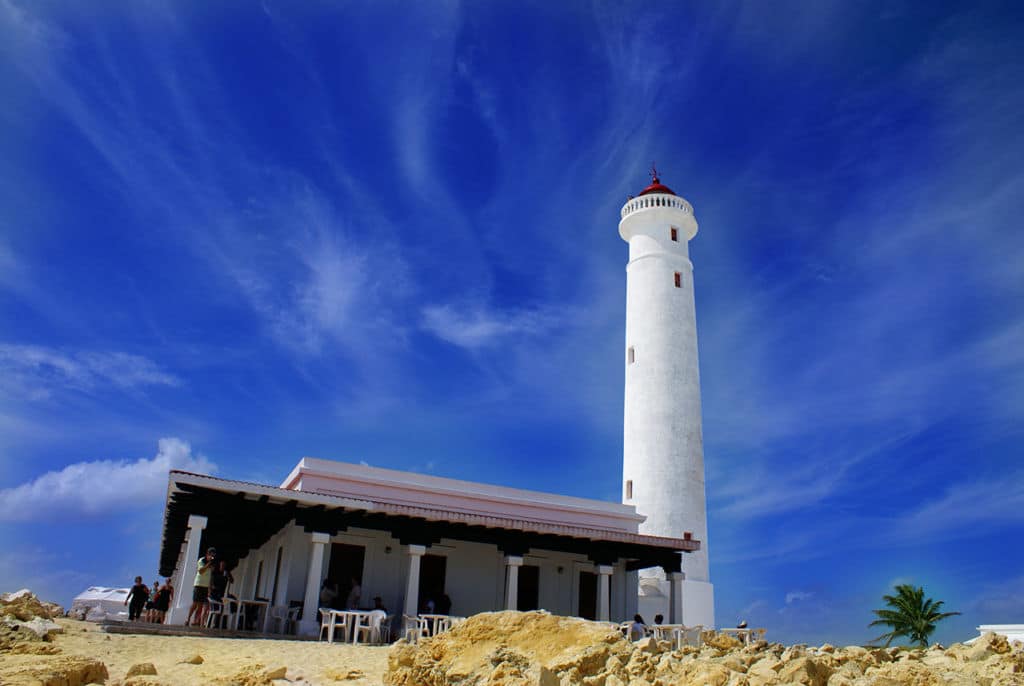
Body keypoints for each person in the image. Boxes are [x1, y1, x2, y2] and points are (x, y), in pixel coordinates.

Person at [186, 546, 217, 627]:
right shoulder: (202, 560)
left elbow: (210, 575)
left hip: (205, 586)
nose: (212, 556)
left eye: (213, 555)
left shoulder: (212, 564)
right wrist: (208, 564)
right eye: (211, 554)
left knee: (201, 605)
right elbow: (201, 571)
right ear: (208, 554)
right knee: (195, 603)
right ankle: (188, 619)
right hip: (199, 584)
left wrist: (210, 587)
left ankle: (195, 621)